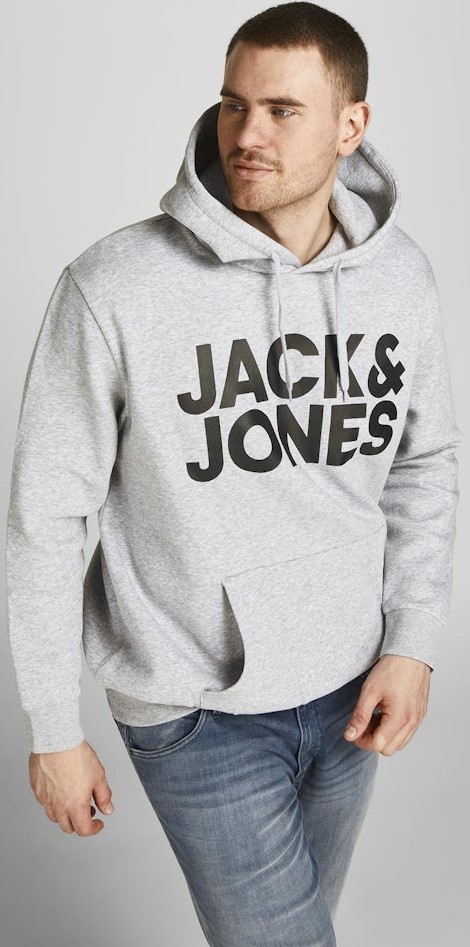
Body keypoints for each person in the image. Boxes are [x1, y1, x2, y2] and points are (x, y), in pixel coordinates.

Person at [6, 2, 463, 944]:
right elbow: (45, 516)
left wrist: (412, 640)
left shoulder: (399, 278)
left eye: (283, 110)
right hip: (196, 710)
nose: (246, 134)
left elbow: (424, 463)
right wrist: (52, 726)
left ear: (351, 125)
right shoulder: (114, 286)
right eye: (233, 104)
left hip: (352, 686)